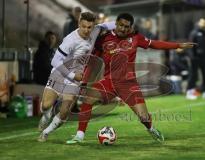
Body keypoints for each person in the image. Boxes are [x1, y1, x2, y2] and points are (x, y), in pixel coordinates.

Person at [66, 13, 195, 144]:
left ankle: (151, 129)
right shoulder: (102, 39)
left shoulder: (135, 37)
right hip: (109, 82)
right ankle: (79, 135)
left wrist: (177, 45)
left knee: (144, 117)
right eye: (121, 25)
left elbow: (154, 44)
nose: (123, 29)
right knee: (89, 98)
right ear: (116, 23)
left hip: (128, 84)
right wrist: (85, 80)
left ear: (130, 27)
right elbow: (93, 62)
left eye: (126, 27)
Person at [38, 12, 115, 142]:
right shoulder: (70, 40)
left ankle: (45, 133)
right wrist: (73, 75)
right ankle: (46, 114)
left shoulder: (96, 30)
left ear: (93, 26)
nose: (86, 30)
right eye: (83, 26)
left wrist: (126, 29)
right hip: (60, 72)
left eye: (89, 27)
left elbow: (111, 25)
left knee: (65, 111)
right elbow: (55, 61)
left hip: (74, 80)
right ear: (79, 24)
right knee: (46, 105)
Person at [186, 18, 205, 100]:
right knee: (193, 75)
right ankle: (189, 92)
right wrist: (192, 56)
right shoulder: (194, 33)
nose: (204, 27)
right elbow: (190, 45)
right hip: (196, 57)